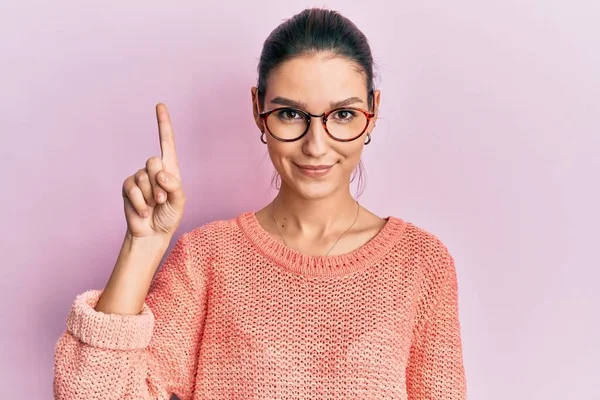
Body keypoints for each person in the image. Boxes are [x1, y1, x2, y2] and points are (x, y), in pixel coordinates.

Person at [53, 7, 467, 400]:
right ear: (258, 109)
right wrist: (141, 247)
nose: (316, 145)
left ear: (372, 113)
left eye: (342, 115)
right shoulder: (206, 259)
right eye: (290, 113)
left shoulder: (420, 262)